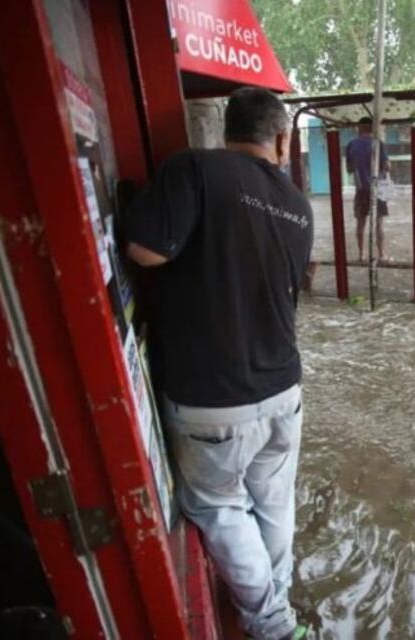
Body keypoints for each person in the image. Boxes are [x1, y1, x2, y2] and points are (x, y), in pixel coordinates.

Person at [125, 87, 313, 640]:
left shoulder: (194, 170)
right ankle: (277, 605)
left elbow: (144, 250)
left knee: (219, 506)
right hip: (284, 388)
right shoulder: (298, 205)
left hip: (212, 399)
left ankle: (273, 625)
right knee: (274, 501)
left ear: (227, 130)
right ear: (282, 139)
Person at [345, 117, 390, 261]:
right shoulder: (378, 143)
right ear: (372, 128)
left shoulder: (351, 145)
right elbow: (387, 166)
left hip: (360, 190)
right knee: (379, 224)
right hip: (378, 190)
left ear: (359, 128)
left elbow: (349, 169)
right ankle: (382, 255)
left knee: (360, 223)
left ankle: (361, 255)